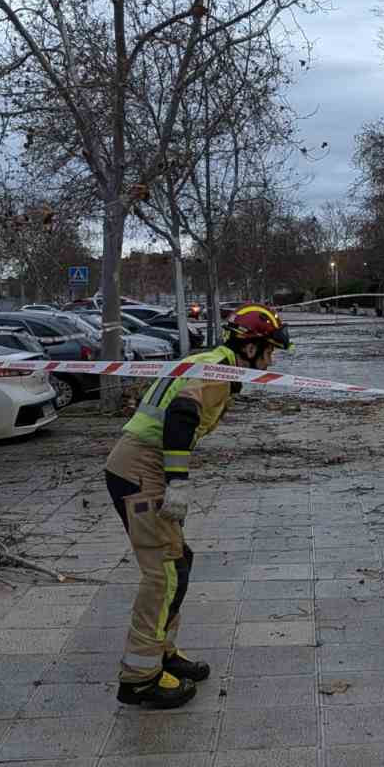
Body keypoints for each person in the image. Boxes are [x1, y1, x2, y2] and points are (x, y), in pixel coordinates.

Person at [104, 303, 291, 708]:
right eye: (270, 350)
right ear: (251, 347)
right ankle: (139, 678)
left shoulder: (210, 361)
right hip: (140, 469)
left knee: (178, 561)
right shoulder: (217, 372)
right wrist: (178, 483)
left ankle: (163, 653)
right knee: (164, 573)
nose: (272, 360)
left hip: (137, 465)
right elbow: (181, 415)